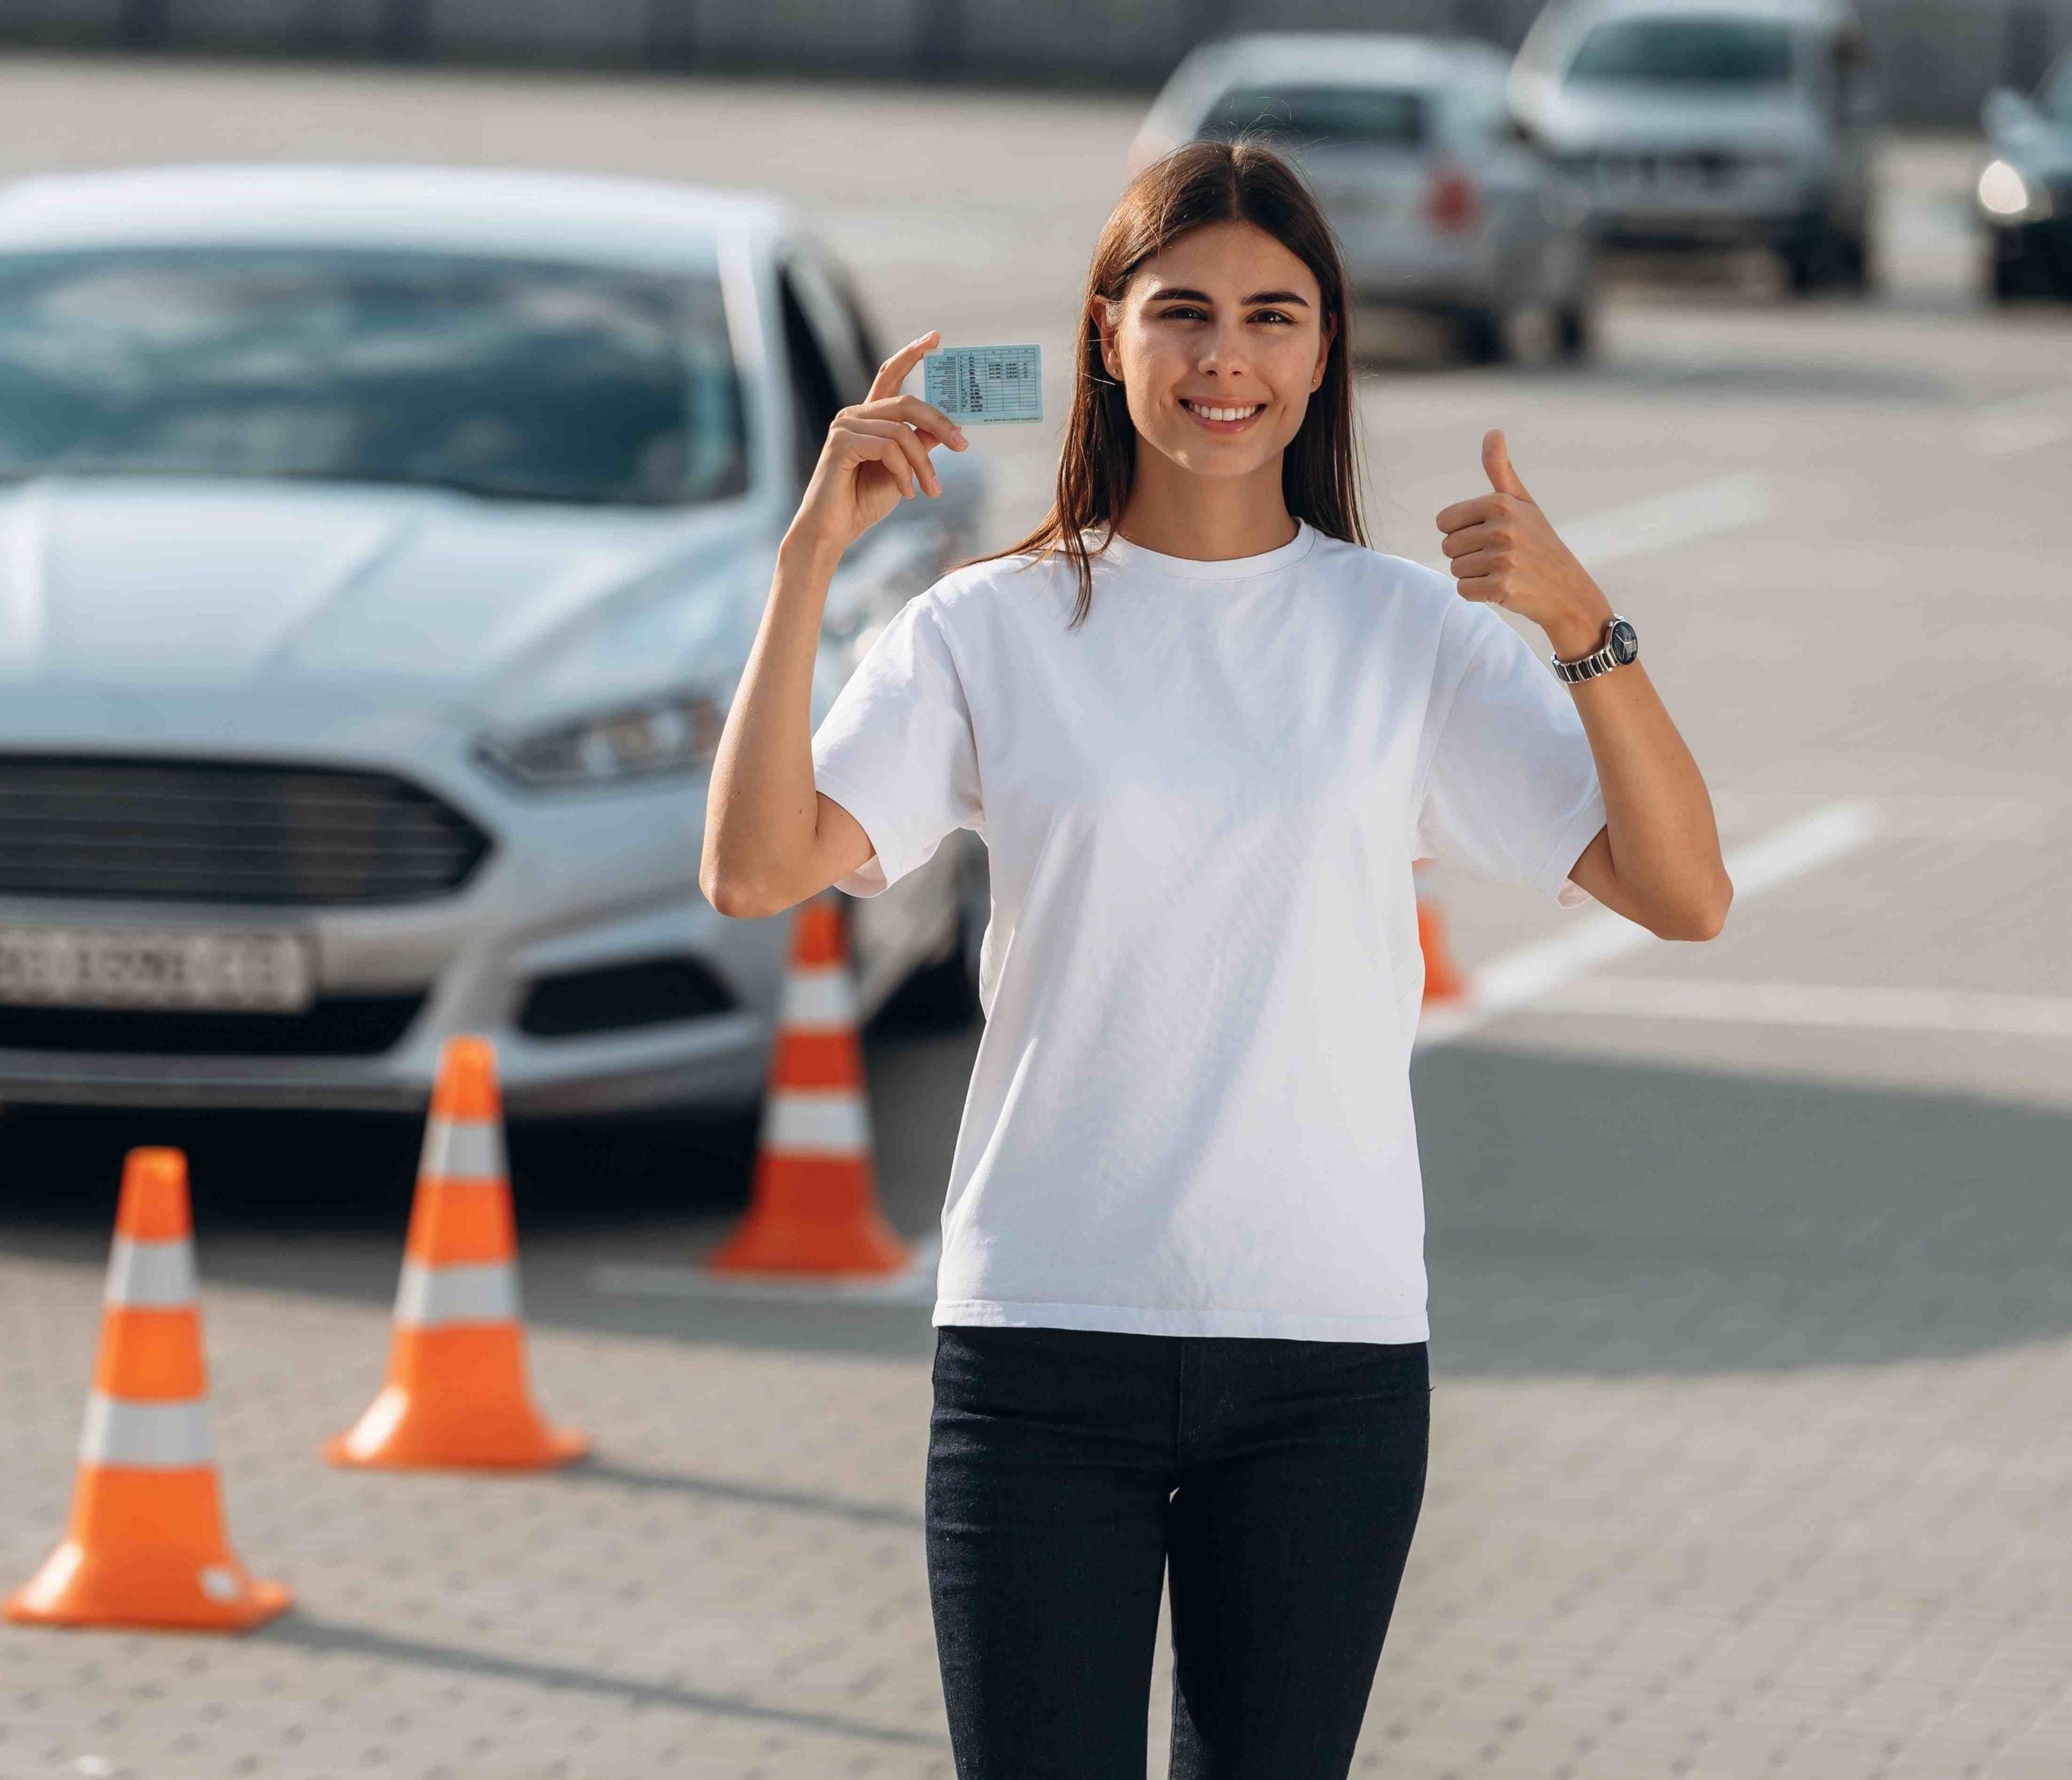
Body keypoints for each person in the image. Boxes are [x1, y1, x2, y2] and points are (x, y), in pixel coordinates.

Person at [698, 140, 1730, 1778]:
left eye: (1271, 314)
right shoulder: (985, 626)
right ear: (1108, 335)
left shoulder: (1411, 637)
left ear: (1326, 351)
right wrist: (804, 561)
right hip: (1039, 1343)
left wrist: (1580, 626)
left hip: (1325, 1356)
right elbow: (757, 868)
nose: (1224, 358)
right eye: (1180, 313)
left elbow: (1683, 894)